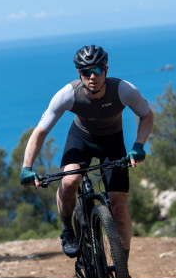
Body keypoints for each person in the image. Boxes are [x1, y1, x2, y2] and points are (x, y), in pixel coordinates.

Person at [19, 44, 154, 265]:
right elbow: (40, 132)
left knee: (119, 206)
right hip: (81, 139)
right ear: (78, 73)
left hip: (112, 141)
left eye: (98, 70)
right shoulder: (68, 94)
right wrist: (27, 167)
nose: (93, 76)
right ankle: (67, 229)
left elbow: (147, 116)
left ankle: (122, 266)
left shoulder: (124, 90)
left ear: (106, 70)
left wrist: (138, 146)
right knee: (70, 181)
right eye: (86, 71)